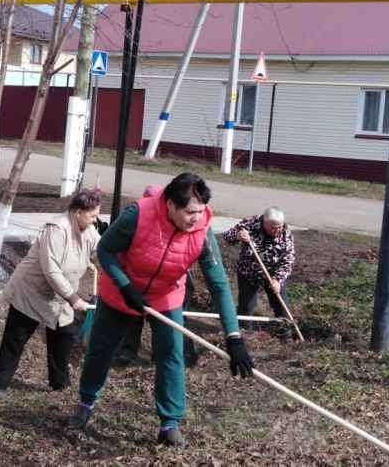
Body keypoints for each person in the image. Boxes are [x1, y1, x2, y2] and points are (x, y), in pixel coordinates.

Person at [66, 173, 253, 447]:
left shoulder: (202, 232)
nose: (197, 218)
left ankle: (169, 423)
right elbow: (105, 249)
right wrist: (126, 286)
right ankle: (86, 401)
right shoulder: (138, 215)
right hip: (121, 291)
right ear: (169, 205)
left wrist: (234, 337)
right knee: (101, 348)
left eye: (201, 212)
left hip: (166, 296)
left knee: (171, 355)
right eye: (190, 212)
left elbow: (220, 286)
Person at [0, 189, 102, 399]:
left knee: (64, 336)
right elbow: (51, 270)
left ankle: (59, 384)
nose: (95, 221)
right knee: (16, 337)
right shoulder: (57, 229)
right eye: (92, 215)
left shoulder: (90, 231)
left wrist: (115, 273)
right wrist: (73, 297)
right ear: (77, 212)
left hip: (61, 296)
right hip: (32, 292)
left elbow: (99, 255)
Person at [112, 185, 199, 369]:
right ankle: (126, 356)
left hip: (171, 284)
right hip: (137, 282)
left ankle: (166, 357)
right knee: (132, 318)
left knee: (167, 322)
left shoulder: (179, 225)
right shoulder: (137, 219)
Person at [224, 207, 295, 338]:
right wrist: (238, 235)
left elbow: (288, 260)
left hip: (273, 275)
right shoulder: (250, 224)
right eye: (274, 227)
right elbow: (228, 237)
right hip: (249, 272)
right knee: (246, 305)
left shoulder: (286, 234)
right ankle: (245, 334)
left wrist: (278, 280)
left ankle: (285, 335)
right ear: (264, 222)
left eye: (280, 226)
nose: (277, 230)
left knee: (282, 305)